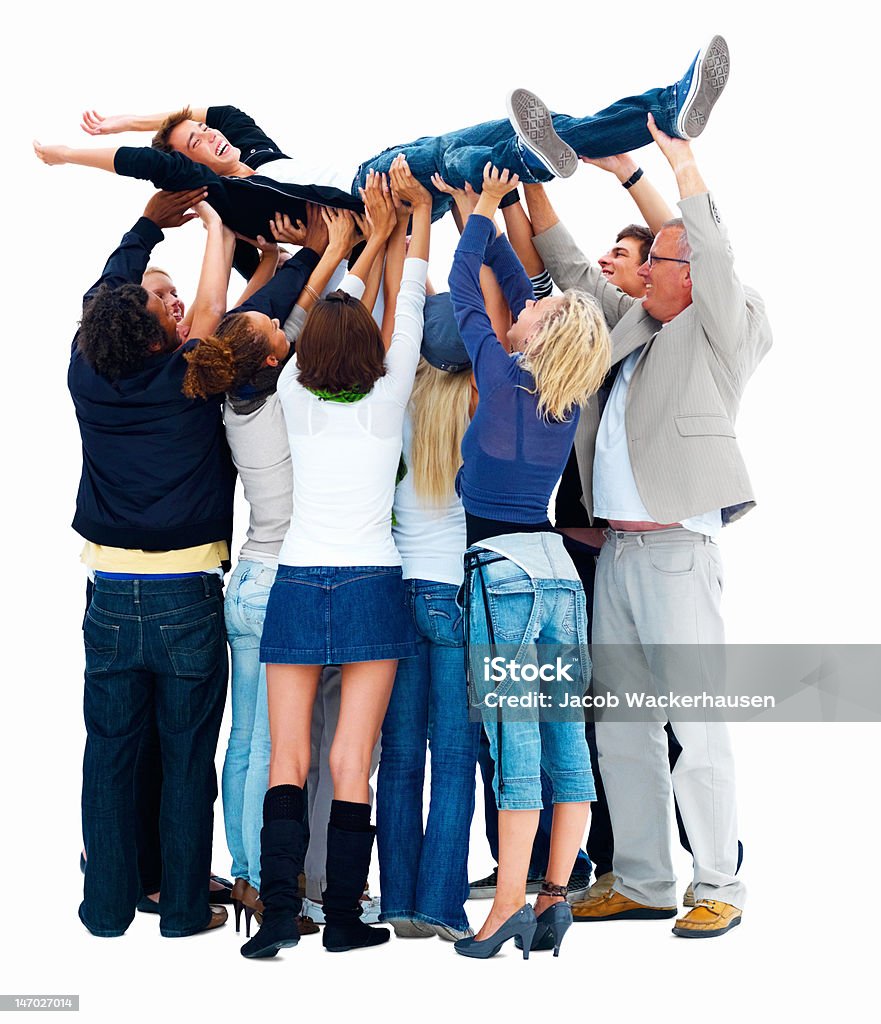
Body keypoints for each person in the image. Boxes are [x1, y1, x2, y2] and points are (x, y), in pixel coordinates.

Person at [526, 109, 772, 938]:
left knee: (694, 725)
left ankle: (717, 885)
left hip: (675, 552)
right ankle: (639, 877)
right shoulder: (630, 328)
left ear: (690, 274)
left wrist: (662, 167)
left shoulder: (721, 329)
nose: (653, 266)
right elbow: (565, 267)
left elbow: (707, 243)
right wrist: (527, 183)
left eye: (669, 256)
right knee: (622, 726)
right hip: (618, 553)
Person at [219, 161, 427, 959]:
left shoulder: (289, 396)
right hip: (375, 581)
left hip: (297, 583)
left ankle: (277, 918)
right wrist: (411, 223)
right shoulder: (388, 397)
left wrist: (353, 251)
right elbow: (405, 308)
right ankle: (341, 918)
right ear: (372, 349)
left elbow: (312, 328)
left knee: (286, 755)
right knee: (351, 761)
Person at [439, 163, 610, 960]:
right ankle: (551, 895)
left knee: (514, 744)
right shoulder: (560, 391)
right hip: (555, 573)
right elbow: (513, 290)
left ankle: (506, 903)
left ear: (539, 337)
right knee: (565, 739)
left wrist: (473, 213)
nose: (526, 310)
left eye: (537, 312)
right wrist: (500, 206)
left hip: (504, 575)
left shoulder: (505, 379)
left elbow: (463, 293)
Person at [34, 37, 730, 229]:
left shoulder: (251, 148)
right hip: (370, 196)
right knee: (454, 160)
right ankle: (533, 157)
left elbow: (208, 112)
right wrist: (67, 153)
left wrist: (143, 114)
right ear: (195, 172)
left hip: (382, 156)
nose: (209, 143)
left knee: (534, 128)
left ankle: (663, 108)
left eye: (205, 138)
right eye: (194, 150)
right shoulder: (240, 198)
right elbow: (137, 162)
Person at [73, 189, 238, 938]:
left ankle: (106, 911)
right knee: (185, 760)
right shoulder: (191, 375)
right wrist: (210, 226)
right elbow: (206, 303)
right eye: (160, 305)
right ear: (151, 334)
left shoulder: (86, 376)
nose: (177, 310)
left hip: (109, 592)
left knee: (108, 757)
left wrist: (145, 227)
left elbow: (106, 294)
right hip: (186, 597)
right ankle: (179, 910)